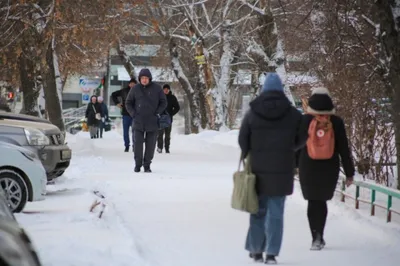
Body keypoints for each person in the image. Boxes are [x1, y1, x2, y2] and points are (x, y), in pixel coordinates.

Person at [238, 73, 304, 264]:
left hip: (258, 170)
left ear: (264, 89)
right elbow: (301, 139)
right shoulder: (293, 114)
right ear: (281, 90)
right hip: (282, 170)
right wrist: (289, 149)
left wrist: (250, 151)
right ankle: (272, 254)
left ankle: (256, 251)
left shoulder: (253, 112)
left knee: (258, 211)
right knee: (276, 213)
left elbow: (243, 139)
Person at [298, 87, 354, 250]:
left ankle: (315, 237)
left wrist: (294, 165)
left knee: (312, 201)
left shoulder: (304, 120)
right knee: (321, 201)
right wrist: (349, 172)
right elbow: (344, 148)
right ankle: (320, 235)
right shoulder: (336, 121)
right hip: (329, 167)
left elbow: (297, 145)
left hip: (308, 166)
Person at [125, 68, 167, 173]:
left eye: (146, 78)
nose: (144, 80)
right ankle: (137, 165)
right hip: (138, 121)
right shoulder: (135, 89)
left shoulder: (157, 89)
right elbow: (128, 103)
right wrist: (133, 114)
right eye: (142, 78)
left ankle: (147, 165)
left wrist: (157, 112)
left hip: (152, 121)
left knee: (150, 145)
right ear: (140, 79)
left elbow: (163, 102)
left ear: (150, 78)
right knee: (138, 144)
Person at [111, 78, 137, 152]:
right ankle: (126, 146)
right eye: (131, 83)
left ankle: (134, 146)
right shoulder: (124, 91)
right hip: (125, 114)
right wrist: (117, 103)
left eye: (133, 83)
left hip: (135, 115)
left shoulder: (138, 91)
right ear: (129, 84)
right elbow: (113, 94)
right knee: (125, 132)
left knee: (135, 131)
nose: (132, 85)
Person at [157, 84, 180, 154]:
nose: (166, 90)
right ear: (163, 90)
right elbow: (155, 106)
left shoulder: (172, 98)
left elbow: (177, 107)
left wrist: (171, 114)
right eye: (165, 89)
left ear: (169, 90)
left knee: (167, 135)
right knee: (160, 134)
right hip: (160, 119)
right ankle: (159, 147)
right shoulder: (159, 97)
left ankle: (167, 148)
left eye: (167, 89)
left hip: (168, 120)